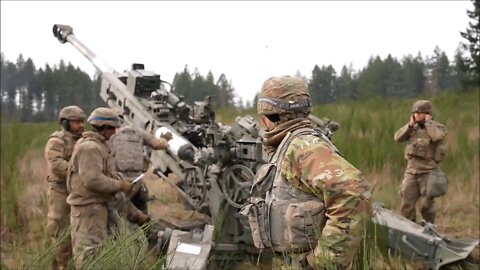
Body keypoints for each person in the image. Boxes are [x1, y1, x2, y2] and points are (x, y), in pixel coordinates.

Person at [243, 76, 372, 269]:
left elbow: (353, 193)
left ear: (265, 115)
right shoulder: (290, 144)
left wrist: (320, 262)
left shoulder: (303, 147)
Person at [66, 107, 133, 269]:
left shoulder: (98, 146)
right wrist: (120, 185)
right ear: (103, 127)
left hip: (96, 207)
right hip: (88, 209)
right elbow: (93, 180)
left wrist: (121, 180)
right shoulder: (90, 148)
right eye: (112, 128)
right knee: (89, 256)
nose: (115, 132)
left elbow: (104, 173)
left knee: (100, 253)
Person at [107, 115, 172, 232]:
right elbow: (158, 144)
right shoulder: (139, 132)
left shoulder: (111, 135)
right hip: (137, 182)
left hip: (119, 182)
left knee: (117, 213)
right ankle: (145, 234)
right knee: (140, 210)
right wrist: (165, 140)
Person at [44, 105, 85, 270]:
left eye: (82, 121)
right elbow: (56, 164)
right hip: (61, 193)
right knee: (60, 231)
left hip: (79, 192)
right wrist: (81, 172)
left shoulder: (84, 140)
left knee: (79, 232)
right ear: (66, 123)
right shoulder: (56, 141)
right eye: (76, 122)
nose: (81, 125)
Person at [394, 100, 448, 224]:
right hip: (412, 172)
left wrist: (429, 123)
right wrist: (410, 125)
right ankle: (408, 229)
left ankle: (429, 228)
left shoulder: (437, 127)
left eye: (420, 112)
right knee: (407, 203)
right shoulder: (412, 128)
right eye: (415, 112)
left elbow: (437, 137)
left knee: (426, 206)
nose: (417, 115)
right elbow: (397, 137)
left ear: (428, 114)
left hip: (429, 172)